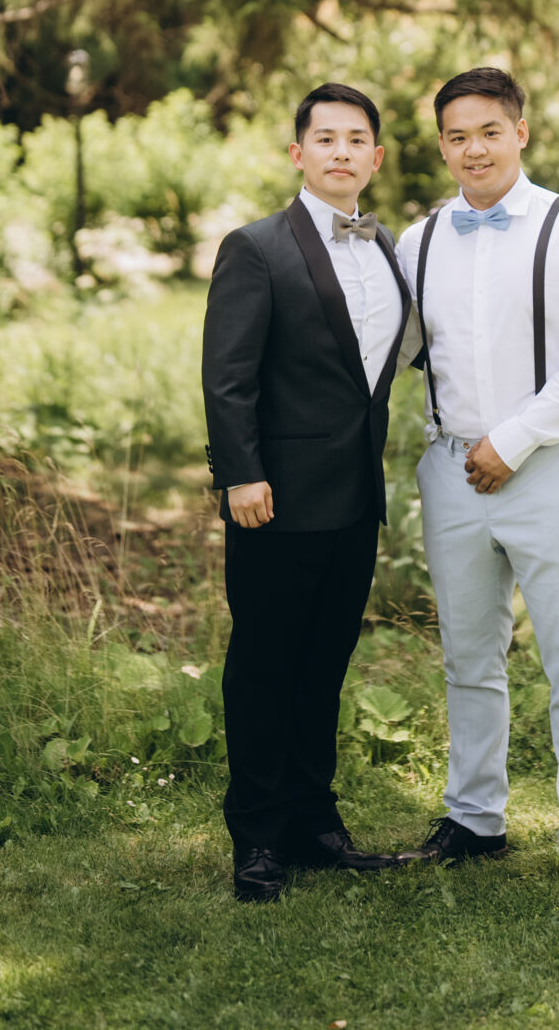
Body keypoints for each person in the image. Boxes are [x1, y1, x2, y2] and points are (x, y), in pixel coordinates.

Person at [395, 66, 559, 898]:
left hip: (548, 467)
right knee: (468, 657)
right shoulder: (418, 242)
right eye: (457, 136)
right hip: (450, 469)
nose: (475, 149)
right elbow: (399, 350)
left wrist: (515, 439)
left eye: (489, 131)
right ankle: (474, 818)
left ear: (520, 133)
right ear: (441, 146)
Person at [202, 82, 414, 903]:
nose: (340, 152)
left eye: (356, 139)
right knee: (264, 665)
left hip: (355, 499)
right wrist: (239, 472)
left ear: (376, 157)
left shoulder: (388, 245)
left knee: (325, 665)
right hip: (275, 499)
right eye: (325, 138)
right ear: (299, 154)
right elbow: (228, 375)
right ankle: (257, 836)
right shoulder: (254, 248)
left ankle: (314, 822)